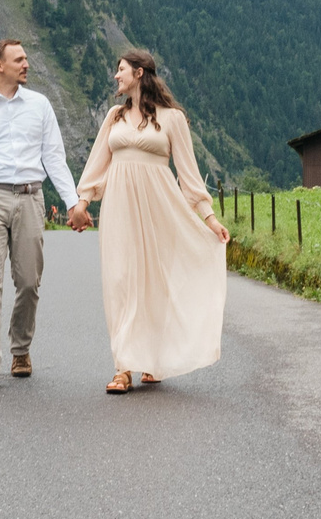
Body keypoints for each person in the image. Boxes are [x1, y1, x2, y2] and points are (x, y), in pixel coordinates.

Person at [76, 48, 228, 394]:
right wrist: (83, 201)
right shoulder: (114, 117)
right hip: (119, 208)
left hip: (160, 209)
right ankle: (123, 366)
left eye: (121, 70)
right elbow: (97, 166)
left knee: (155, 282)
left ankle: (154, 358)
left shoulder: (172, 118)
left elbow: (189, 177)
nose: (116, 76)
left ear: (140, 73)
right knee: (120, 279)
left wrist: (209, 219)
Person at [0, 38, 89, 389]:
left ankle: (21, 348)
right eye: (19, 59)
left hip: (30, 198)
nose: (26, 64)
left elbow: (54, 157)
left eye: (26, 59)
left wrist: (73, 203)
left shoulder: (40, 106)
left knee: (28, 282)